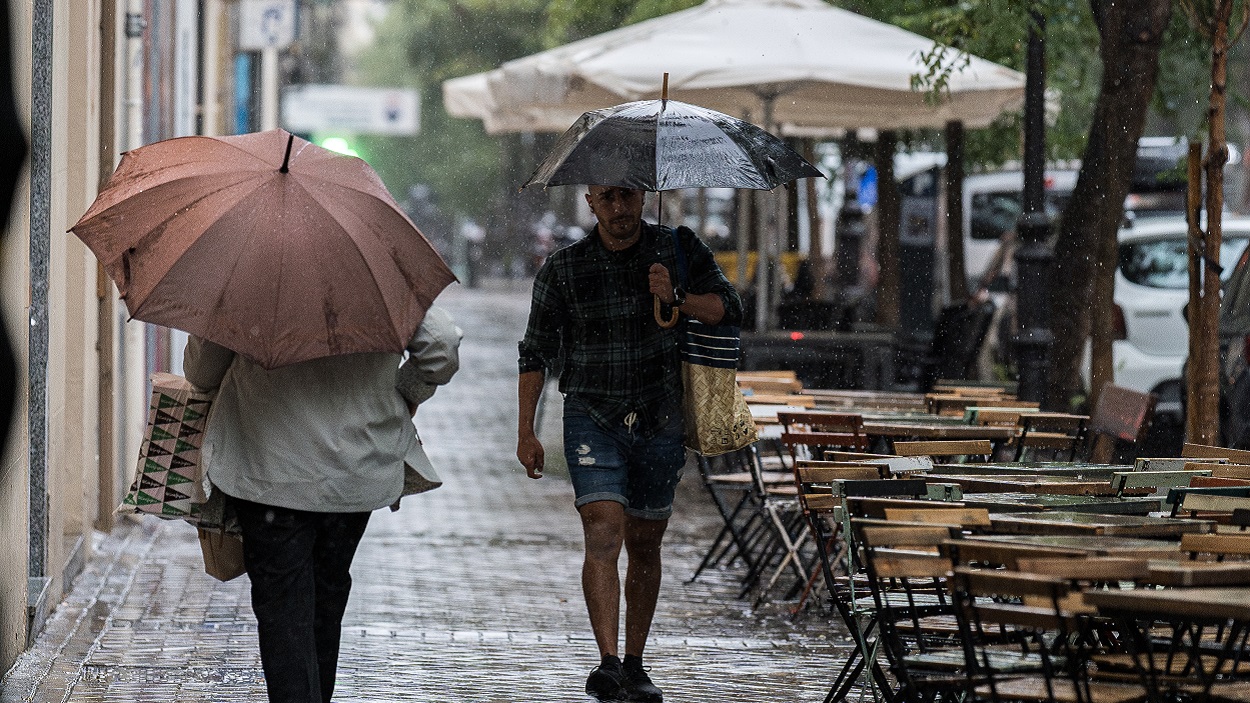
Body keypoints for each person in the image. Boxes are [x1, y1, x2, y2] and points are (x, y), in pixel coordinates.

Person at [517, 185, 743, 702]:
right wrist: (525, 430)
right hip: (593, 416)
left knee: (645, 541)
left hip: (661, 419)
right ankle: (609, 662)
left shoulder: (678, 249)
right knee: (604, 530)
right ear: (590, 202)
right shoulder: (564, 268)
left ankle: (637, 662)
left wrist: (676, 297)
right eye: (607, 199)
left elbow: (728, 309)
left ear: (643, 196)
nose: (619, 209)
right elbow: (535, 351)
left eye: (628, 196)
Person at [184, 306, 462, 703]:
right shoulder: (379, 274)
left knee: (284, 602)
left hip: (269, 470)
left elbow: (202, 372)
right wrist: (404, 393)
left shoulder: (252, 276)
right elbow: (441, 347)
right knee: (327, 590)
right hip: (354, 469)